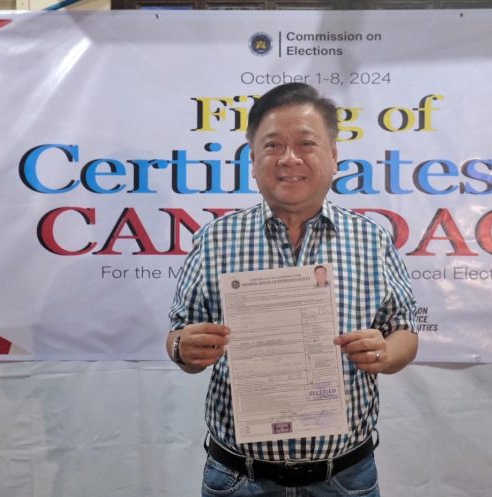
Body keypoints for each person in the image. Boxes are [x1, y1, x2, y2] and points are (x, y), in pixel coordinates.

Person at [167, 82, 419, 497]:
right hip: (239, 478)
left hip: (345, 478)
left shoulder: (371, 239)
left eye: (306, 143)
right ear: (252, 159)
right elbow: (177, 335)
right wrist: (184, 348)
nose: (289, 159)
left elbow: (405, 331)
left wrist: (387, 352)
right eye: (272, 146)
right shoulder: (215, 239)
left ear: (334, 155)